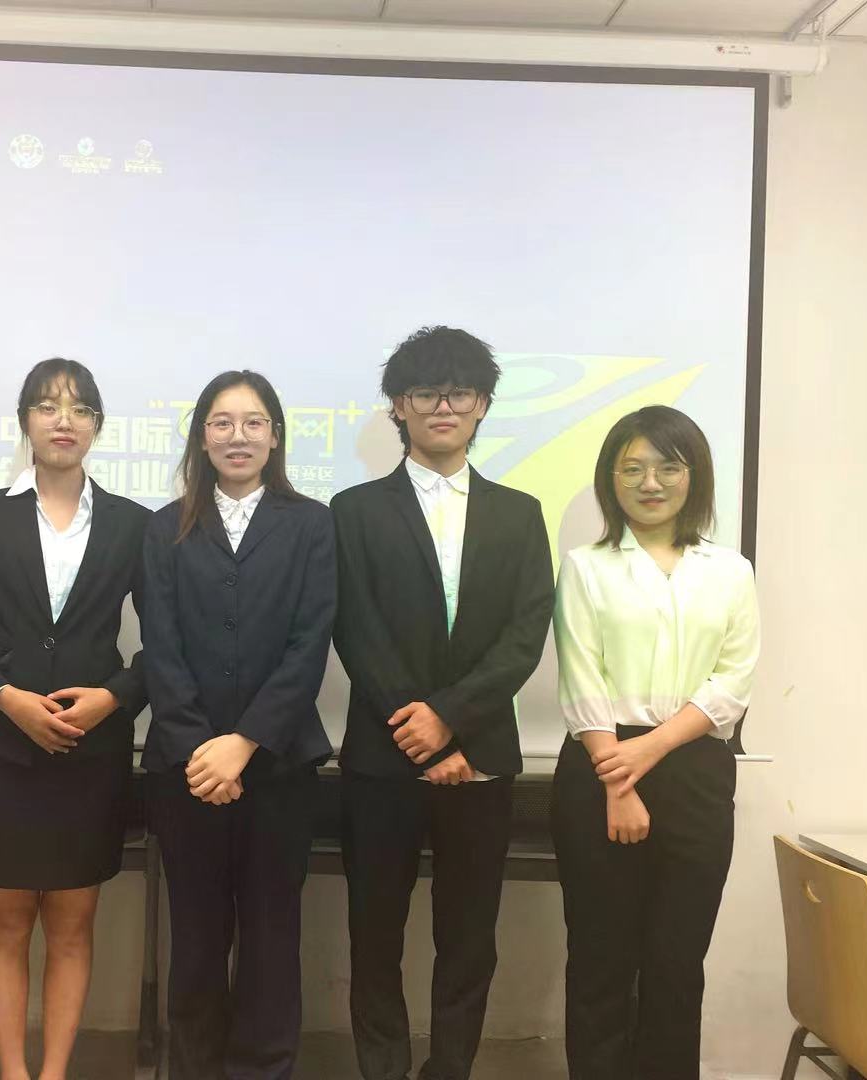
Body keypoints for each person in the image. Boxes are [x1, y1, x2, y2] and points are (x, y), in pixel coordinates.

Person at [331, 325, 554, 1080]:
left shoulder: (520, 513)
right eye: (425, 392)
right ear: (398, 406)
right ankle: (383, 1069)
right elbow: (355, 628)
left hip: (481, 759)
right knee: (375, 933)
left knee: (468, 937)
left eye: (459, 392)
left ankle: (450, 1068)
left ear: (483, 404)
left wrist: (451, 721)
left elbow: (526, 635)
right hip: (382, 759)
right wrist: (419, 727)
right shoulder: (353, 511)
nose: (443, 406)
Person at [0, 358, 149, 1080]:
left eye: (80, 409)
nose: (64, 420)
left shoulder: (133, 523)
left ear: (97, 426)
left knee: (74, 924)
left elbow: (167, 646)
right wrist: (5, 699)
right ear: (25, 420)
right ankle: (13, 1073)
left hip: (92, 750)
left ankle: (53, 1072)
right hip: (2, 750)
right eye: (48, 406)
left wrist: (114, 696)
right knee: (6, 920)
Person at [551, 404, 759, 1080]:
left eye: (668, 467)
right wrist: (620, 780)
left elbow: (733, 681)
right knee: (601, 959)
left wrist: (650, 750)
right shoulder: (585, 567)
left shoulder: (731, 571)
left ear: (693, 476)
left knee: (677, 963)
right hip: (600, 766)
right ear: (609, 479)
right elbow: (582, 679)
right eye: (632, 468)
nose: (650, 483)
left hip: (695, 770)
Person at [141, 369, 336, 1080]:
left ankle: (263, 1068)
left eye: (254, 422)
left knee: (271, 936)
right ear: (202, 436)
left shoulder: (312, 524)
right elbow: (160, 647)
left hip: (278, 765)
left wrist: (244, 744)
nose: (238, 436)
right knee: (195, 939)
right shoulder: (165, 527)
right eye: (222, 422)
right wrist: (204, 750)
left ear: (275, 436)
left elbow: (309, 644)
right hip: (186, 770)